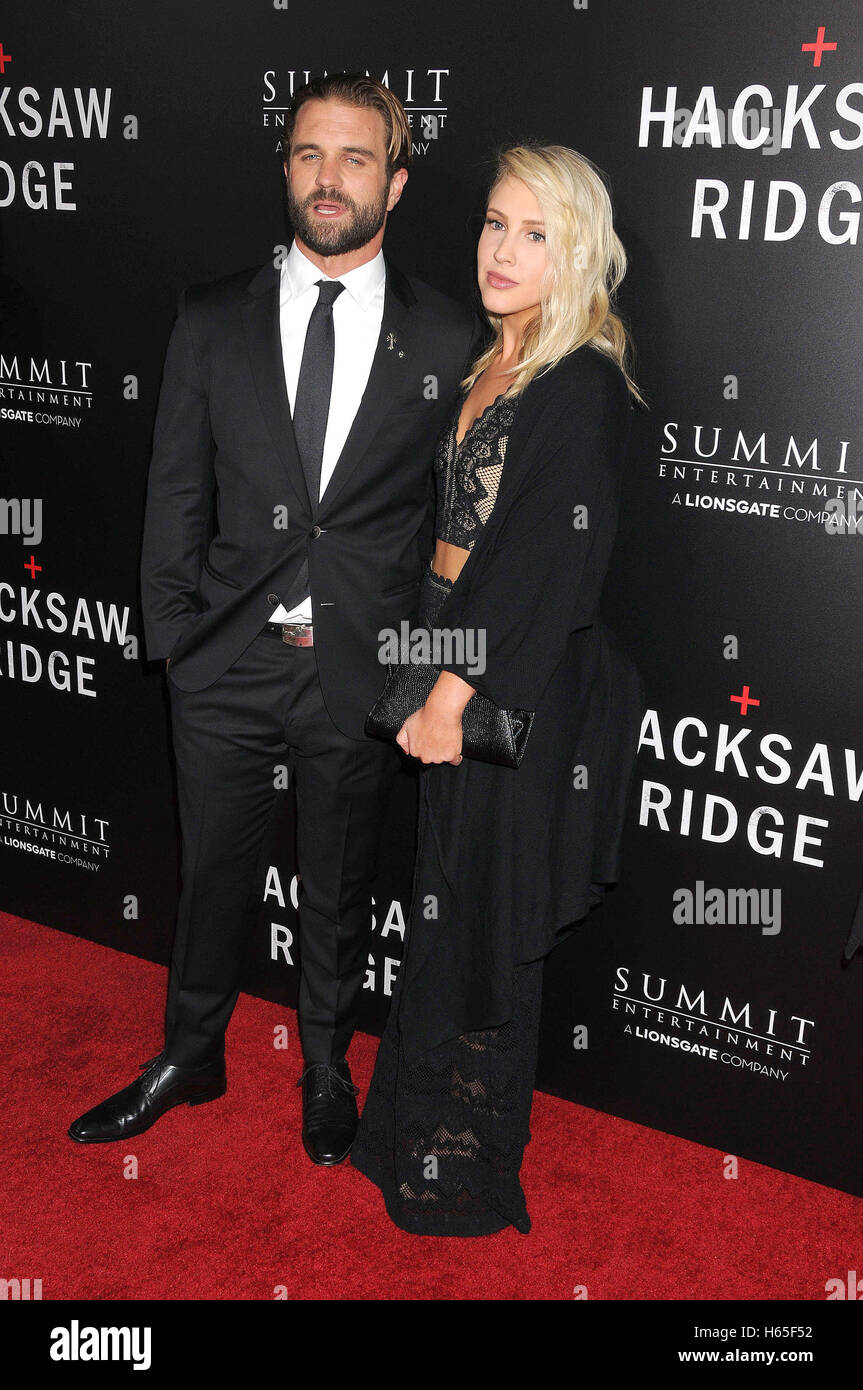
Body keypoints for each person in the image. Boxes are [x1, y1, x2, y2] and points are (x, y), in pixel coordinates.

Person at [68, 74, 477, 1165]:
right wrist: (178, 651)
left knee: (340, 890)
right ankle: (190, 1055)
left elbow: (456, 535)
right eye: (306, 154)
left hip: (356, 665)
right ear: (284, 168)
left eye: (352, 158)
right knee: (209, 877)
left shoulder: (447, 338)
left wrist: (430, 669)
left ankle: (327, 1065)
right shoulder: (209, 318)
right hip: (227, 663)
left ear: (395, 179)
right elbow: (173, 499)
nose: (327, 178)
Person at [351, 143, 646, 1234]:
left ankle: (458, 1164)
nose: (501, 248)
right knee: (445, 904)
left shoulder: (581, 381)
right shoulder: (498, 359)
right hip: (447, 650)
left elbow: (543, 567)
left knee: (481, 920)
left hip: (507, 677)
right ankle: (406, 1134)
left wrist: (452, 693)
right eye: (490, 222)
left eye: (533, 232)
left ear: (577, 253)